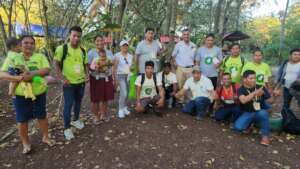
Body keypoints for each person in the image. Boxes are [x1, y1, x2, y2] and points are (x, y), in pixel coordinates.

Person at [1, 35, 55, 154]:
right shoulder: (14, 56)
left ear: (34, 45)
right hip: (21, 96)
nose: (29, 45)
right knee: (22, 120)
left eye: (32, 43)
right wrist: (18, 77)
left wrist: (31, 74)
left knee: (42, 115)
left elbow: (46, 70)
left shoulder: (40, 56)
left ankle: (46, 137)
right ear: (20, 44)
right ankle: (26, 144)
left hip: (39, 94)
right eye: (26, 43)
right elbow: (2, 74)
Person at [54, 26, 88, 140]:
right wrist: (62, 78)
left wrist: (87, 75)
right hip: (68, 83)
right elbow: (56, 64)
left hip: (81, 82)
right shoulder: (62, 49)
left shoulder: (83, 50)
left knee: (78, 102)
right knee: (68, 105)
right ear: (69, 35)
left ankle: (76, 120)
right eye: (74, 35)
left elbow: (85, 64)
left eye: (79, 36)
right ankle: (67, 128)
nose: (76, 38)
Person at [234, 70, 271, 146]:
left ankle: (265, 136)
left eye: (254, 78)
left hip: (259, 112)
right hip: (247, 113)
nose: (253, 80)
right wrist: (255, 93)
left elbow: (271, 101)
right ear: (244, 79)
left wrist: (275, 95)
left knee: (263, 113)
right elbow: (243, 100)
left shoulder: (261, 87)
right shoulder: (241, 89)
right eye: (251, 78)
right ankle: (250, 125)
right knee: (238, 128)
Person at [88, 35, 115, 124]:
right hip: (95, 78)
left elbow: (112, 64)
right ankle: (96, 117)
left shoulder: (109, 52)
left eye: (101, 40)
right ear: (94, 42)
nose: (100, 42)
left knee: (105, 98)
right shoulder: (91, 53)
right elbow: (88, 66)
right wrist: (95, 69)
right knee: (95, 98)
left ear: (104, 41)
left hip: (107, 77)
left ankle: (103, 115)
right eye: (97, 40)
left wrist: (110, 71)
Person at [172, 29, 197, 103]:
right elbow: (173, 56)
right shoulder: (178, 45)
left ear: (190, 35)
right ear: (182, 36)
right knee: (180, 85)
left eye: (187, 34)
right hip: (180, 68)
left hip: (190, 68)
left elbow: (195, 59)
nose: (186, 36)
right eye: (184, 34)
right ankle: (181, 100)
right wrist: (174, 63)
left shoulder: (194, 45)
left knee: (190, 85)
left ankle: (189, 100)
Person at [113, 40, 133, 118]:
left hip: (128, 76)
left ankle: (124, 107)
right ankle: (120, 110)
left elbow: (131, 66)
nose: (125, 47)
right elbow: (114, 68)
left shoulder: (130, 56)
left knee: (127, 93)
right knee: (123, 93)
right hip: (120, 75)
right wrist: (115, 79)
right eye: (123, 46)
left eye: (126, 45)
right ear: (120, 47)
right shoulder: (117, 55)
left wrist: (132, 69)